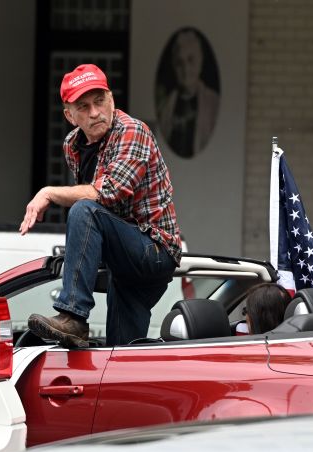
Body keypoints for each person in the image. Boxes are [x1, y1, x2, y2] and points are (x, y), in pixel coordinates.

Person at [21, 63, 182, 349]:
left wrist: (48, 192)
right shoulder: (72, 145)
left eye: (99, 101)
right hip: (123, 261)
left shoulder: (133, 131)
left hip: (154, 250)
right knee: (119, 354)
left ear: (111, 99)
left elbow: (108, 194)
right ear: (69, 116)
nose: (95, 112)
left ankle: (73, 315)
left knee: (83, 209)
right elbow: (107, 217)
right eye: (83, 106)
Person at [157, 28, 220, 158]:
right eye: (180, 63)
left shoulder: (213, 102)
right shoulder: (166, 107)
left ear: (200, 61)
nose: (186, 68)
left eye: (191, 60)